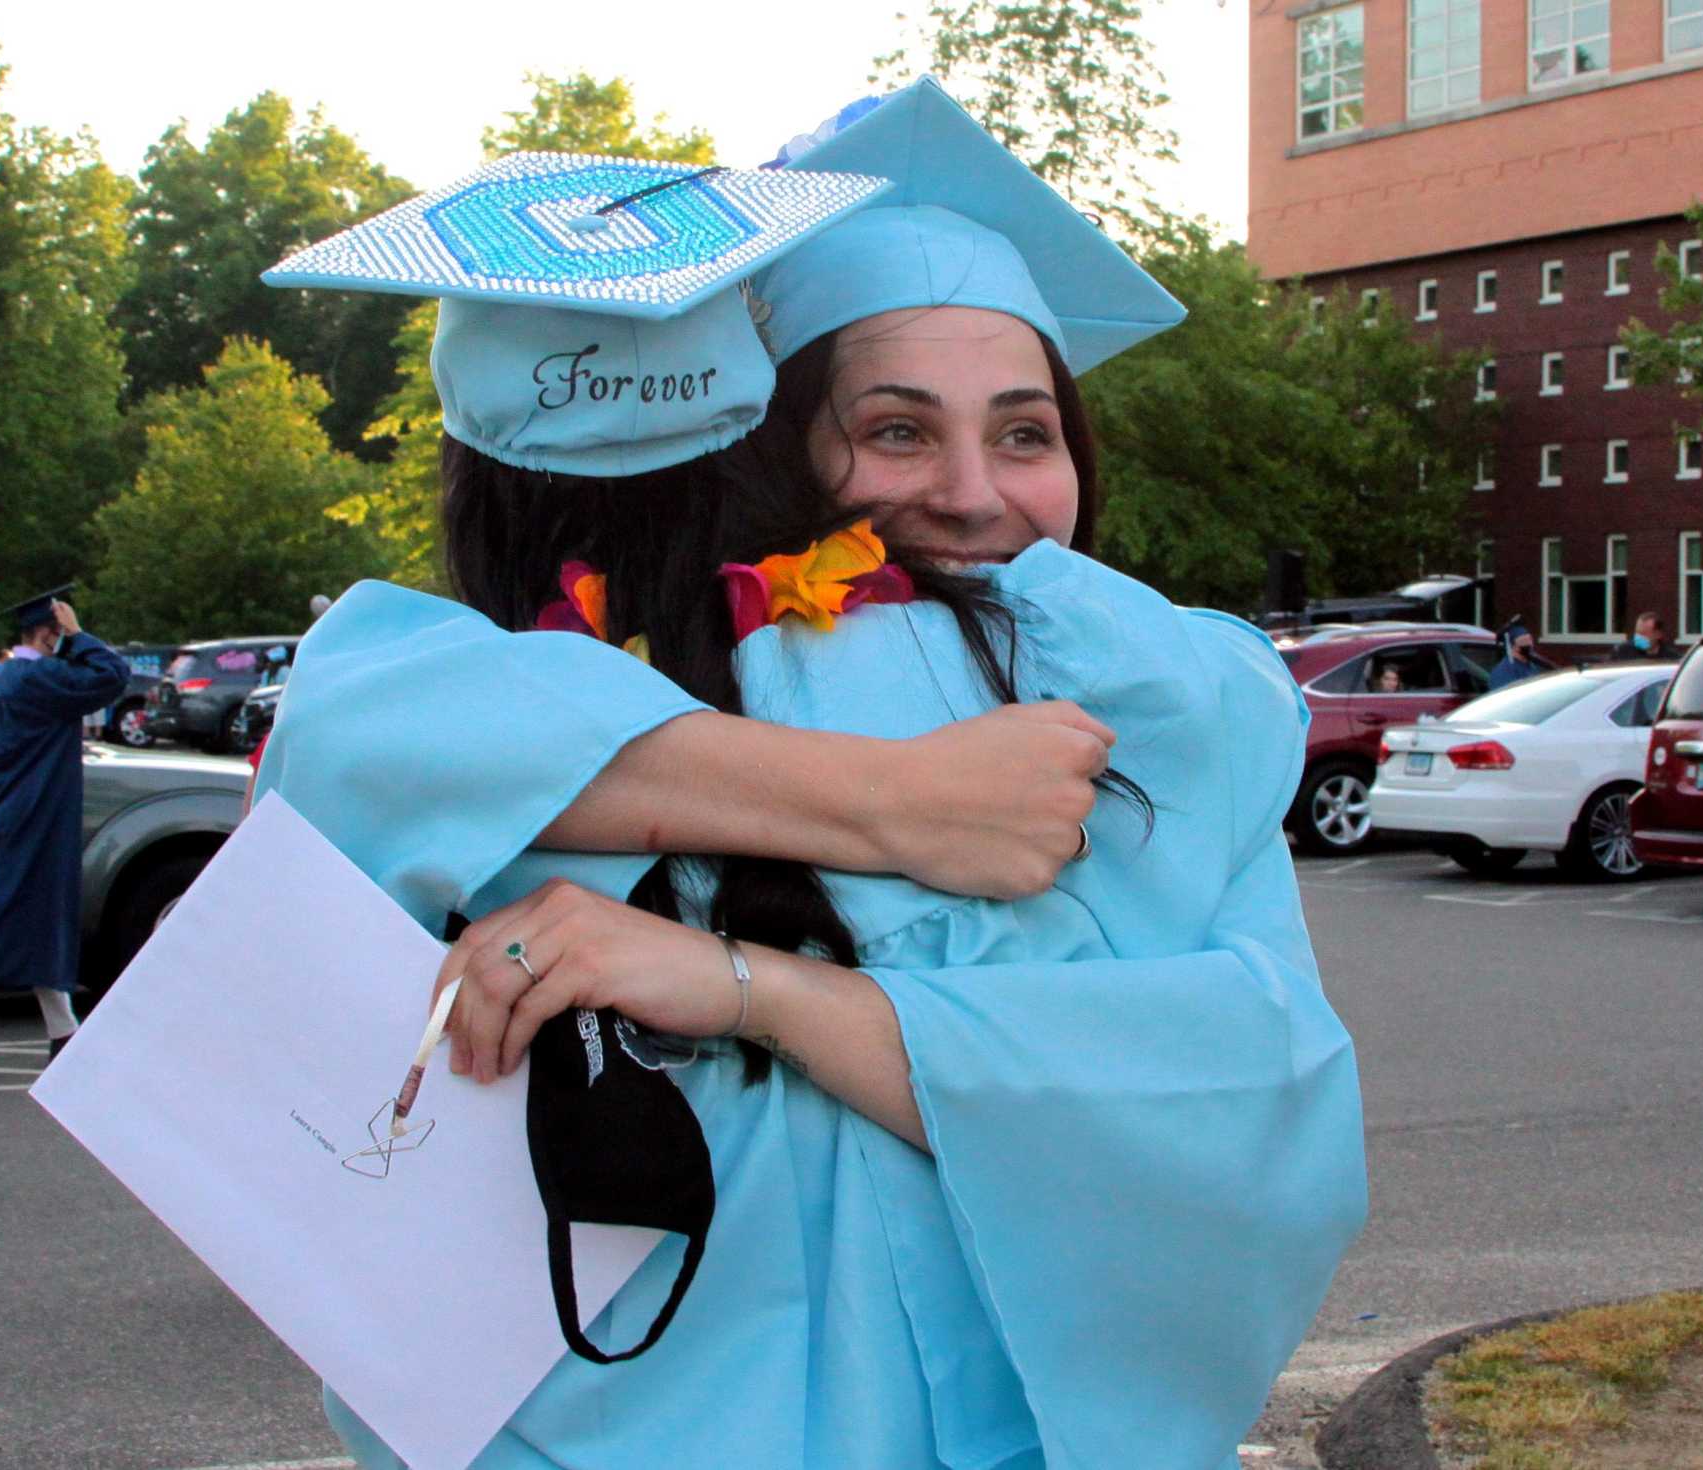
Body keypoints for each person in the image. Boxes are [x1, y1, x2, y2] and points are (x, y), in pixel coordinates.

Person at [255, 85, 1363, 1470]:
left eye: (1027, 432)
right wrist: (884, 804)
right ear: (770, 446)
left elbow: (1245, 1076)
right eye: (897, 429)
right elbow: (361, 723)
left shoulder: (1133, 680)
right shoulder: (684, 674)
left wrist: (744, 985)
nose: (973, 491)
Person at [0, 592, 130, 1077]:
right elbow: (111, 677)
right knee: (12, 919)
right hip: (40, 817)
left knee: (37, 919)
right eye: (59, 633)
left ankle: (65, 1036)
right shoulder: (43, 678)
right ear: (48, 633)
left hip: (7, 815)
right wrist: (80, 635)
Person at [1604, 610, 1679, 661]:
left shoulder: (1670, 658)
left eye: (1643, 634)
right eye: (1637, 633)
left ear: (1658, 634)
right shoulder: (1622, 652)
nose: (1638, 637)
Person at [1489, 617, 1542, 689]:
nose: (1529, 644)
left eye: (1529, 639)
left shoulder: (1533, 666)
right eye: (1523, 641)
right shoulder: (1503, 672)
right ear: (1513, 646)